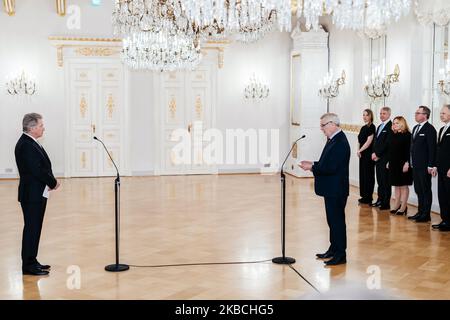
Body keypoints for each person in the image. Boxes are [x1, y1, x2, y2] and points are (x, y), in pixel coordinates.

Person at [299, 113, 350, 266]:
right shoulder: (333, 139)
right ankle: (333, 249)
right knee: (332, 221)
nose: (321, 129)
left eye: (323, 125)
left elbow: (331, 167)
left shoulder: (340, 142)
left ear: (333, 124)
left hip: (336, 189)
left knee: (337, 222)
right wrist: (313, 163)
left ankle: (340, 254)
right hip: (332, 188)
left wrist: (312, 167)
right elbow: (326, 162)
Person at [15, 113, 60, 276]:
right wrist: (53, 183)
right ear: (32, 128)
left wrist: (50, 181)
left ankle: (32, 261)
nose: (43, 128)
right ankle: (28, 265)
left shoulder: (31, 142)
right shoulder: (26, 144)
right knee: (31, 229)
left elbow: (41, 166)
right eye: (41, 125)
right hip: (31, 194)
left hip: (36, 193)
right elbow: (37, 170)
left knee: (35, 228)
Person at [408, 106, 437, 223]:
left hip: (425, 167)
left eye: (418, 113)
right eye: (416, 113)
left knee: (425, 190)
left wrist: (431, 165)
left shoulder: (430, 129)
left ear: (425, 115)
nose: (416, 115)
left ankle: (426, 214)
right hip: (415, 165)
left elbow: (432, 149)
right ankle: (420, 212)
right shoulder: (415, 127)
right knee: (418, 189)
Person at [386, 116, 413, 215]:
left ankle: (404, 206)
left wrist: (407, 163)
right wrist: (389, 161)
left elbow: (409, 151)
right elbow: (391, 149)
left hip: (403, 163)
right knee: (396, 185)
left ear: (402, 124)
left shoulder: (408, 135)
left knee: (403, 186)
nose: (394, 125)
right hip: (394, 163)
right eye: (393, 123)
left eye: (397, 123)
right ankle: (397, 204)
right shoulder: (393, 134)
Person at [371, 107, 392, 211]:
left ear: (389, 114)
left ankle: (385, 203)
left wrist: (378, 154)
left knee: (385, 182)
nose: (381, 115)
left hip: (385, 158)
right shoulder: (379, 126)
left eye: (384, 113)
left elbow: (387, 144)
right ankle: (379, 199)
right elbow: (376, 142)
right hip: (377, 158)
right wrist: (373, 153)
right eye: (380, 113)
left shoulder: (391, 126)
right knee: (379, 180)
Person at [433, 105, 450, 231]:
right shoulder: (442, 129)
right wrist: (435, 166)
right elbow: (439, 150)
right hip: (441, 168)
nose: (441, 115)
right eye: (441, 113)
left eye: (443, 113)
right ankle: (445, 220)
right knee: (442, 195)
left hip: (449, 170)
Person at [357, 109, 376, 205]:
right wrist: (358, 150)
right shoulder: (363, 127)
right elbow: (360, 141)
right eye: (363, 115)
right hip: (362, 154)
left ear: (370, 116)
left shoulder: (372, 127)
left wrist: (360, 150)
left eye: (366, 115)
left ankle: (369, 197)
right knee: (363, 174)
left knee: (368, 175)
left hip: (368, 154)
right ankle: (364, 195)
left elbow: (369, 142)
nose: (364, 117)